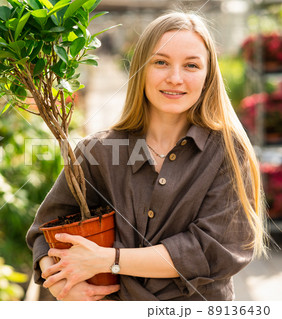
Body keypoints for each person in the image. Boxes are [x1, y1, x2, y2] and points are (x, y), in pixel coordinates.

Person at [25, 11, 267, 301]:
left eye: (191, 65)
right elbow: (44, 233)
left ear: (208, 76)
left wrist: (107, 259)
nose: (175, 78)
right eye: (161, 62)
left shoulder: (228, 152)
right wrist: (62, 285)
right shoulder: (98, 151)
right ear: (141, 69)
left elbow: (213, 249)